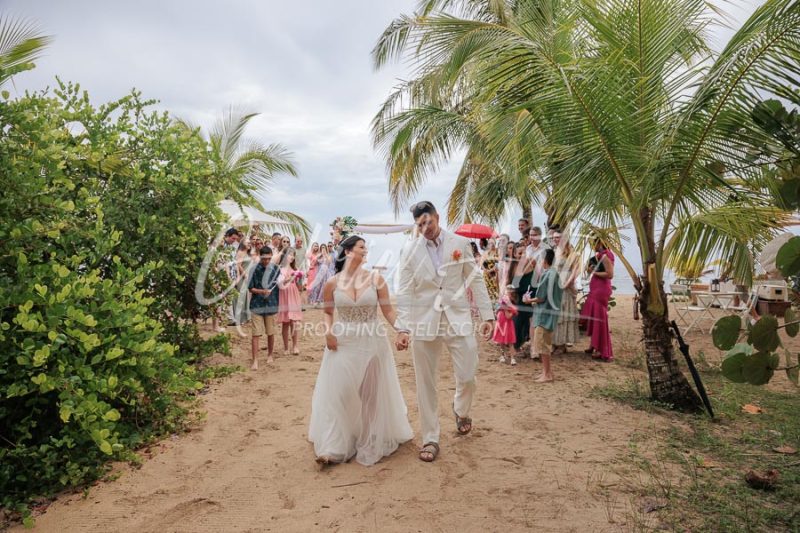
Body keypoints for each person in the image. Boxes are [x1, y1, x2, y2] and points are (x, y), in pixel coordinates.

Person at [395, 201, 494, 463]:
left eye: (428, 222)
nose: (425, 228)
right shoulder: (408, 250)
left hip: (457, 318)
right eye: (419, 225)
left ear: (437, 217)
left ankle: (460, 409)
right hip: (423, 321)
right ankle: (431, 437)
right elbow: (404, 290)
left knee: (468, 373)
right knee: (425, 383)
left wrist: (487, 315)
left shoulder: (460, 244)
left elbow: (475, 279)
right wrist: (402, 327)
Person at [309, 236, 413, 466]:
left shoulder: (376, 279)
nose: (366, 250)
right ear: (347, 252)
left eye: (366, 247)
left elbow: (388, 312)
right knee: (340, 393)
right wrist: (327, 332)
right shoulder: (332, 283)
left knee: (370, 394)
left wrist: (402, 330)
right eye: (361, 247)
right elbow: (327, 312)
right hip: (343, 341)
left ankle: (368, 440)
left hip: (372, 340)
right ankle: (333, 447)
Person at [524, 249, 563, 383]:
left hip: (545, 314)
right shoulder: (553, 273)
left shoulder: (549, 275)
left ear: (544, 260)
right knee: (544, 343)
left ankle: (547, 374)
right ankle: (547, 372)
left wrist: (529, 300)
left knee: (542, 344)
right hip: (549, 313)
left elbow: (541, 297)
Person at [580, 239, 615, 361]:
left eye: (593, 243)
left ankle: (601, 349)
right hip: (595, 288)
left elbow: (610, 274)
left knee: (599, 318)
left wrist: (593, 271)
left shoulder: (605, 255)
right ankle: (593, 344)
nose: (592, 246)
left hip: (601, 290)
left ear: (600, 243)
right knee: (593, 316)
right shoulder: (600, 255)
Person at [248, 246, 280, 370]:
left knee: (271, 332)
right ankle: (255, 360)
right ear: (260, 256)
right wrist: (262, 291)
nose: (266, 261)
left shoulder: (276, 269)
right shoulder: (254, 269)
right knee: (256, 334)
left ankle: (270, 355)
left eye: (268, 259)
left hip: (271, 304)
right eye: (264, 259)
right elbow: (250, 288)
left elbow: (280, 284)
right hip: (257, 305)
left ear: (271, 256)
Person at [552, 232, 580, 355]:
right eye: (554, 238)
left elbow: (575, 270)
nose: (556, 239)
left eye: (558, 237)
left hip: (566, 284)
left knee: (563, 315)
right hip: (555, 283)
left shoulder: (571, 251)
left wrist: (568, 283)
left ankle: (562, 344)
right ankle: (555, 342)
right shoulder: (554, 250)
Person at [277, 247, 303, 355]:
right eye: (289, 254)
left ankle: (295, 346)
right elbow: (279, 283)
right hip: (284, 294)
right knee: (285, 323)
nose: (291, 257)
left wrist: (300, 278)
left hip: (293, 294)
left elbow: (299, 286)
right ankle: (286, 347)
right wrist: (290, 277)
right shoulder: (280, 269)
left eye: (293, 255)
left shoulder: (295, 269)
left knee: (294, 321)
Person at [492, 294, 518, 365]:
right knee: (502, 342)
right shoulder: (500, 310)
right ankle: (503, 356)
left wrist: (506, 309)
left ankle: (512, 358)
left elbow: (508, 316)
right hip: (502, 327)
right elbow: (497, 316)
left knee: (510, 343)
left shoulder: (510, 309)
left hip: (508, 327)